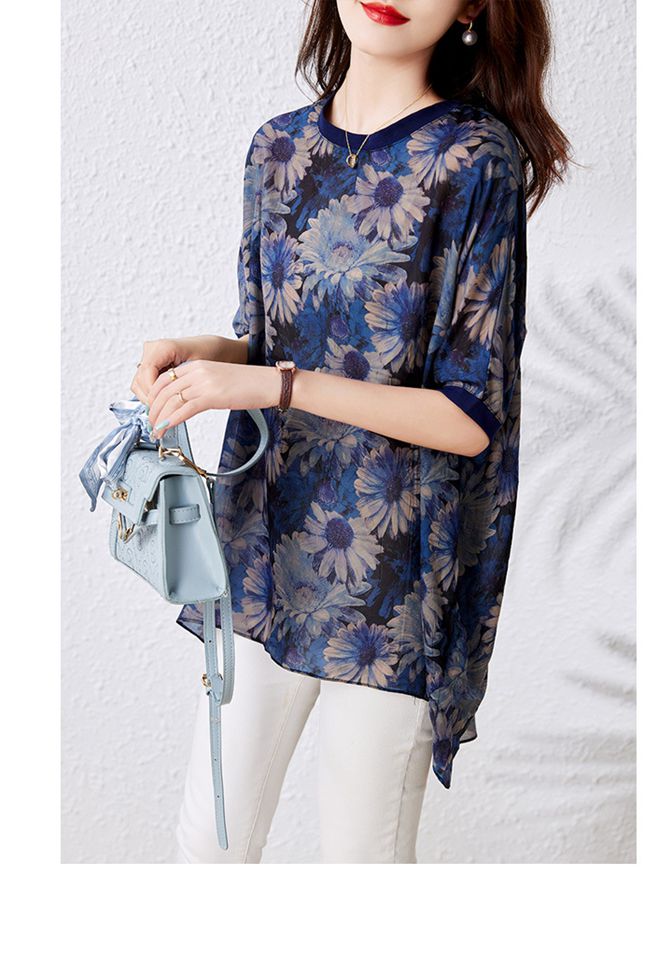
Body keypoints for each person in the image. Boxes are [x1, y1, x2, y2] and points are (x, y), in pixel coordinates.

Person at [130, 0, 572, 864]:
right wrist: (203, 356)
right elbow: (270, 339)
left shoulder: (472, 158)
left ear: (474, 7)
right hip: (263, 550)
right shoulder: (277, 149)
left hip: (395, 581)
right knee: (209, 845)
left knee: (358, 867)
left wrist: (270, 382)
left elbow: (468, 416)